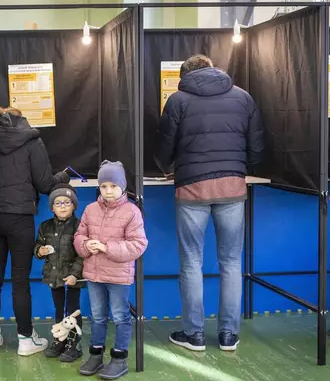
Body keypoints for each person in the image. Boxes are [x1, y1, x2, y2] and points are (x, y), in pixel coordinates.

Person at [155, 54, 265, 352]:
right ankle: (229, 335)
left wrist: (166, 168)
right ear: (214, 68)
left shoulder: (177, 100)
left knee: (191, 262)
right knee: (231, 262)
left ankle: (195, 335)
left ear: (185, 74)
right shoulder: (243, 97)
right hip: (232, 187)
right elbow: (256, 144)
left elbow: (164, 146)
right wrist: (244, 169)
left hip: (192, 189)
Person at [0, 106, 70, 356]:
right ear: (21, 120)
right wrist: (63, 177)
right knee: (20, 280)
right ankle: (26, 339)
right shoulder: (32, 142)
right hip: (20, 219)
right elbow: (46, 184)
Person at [74, 160, 147, 380]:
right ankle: (96, 356)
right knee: (97, 316)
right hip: (94, 275)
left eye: (113, 186)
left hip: (118, 277)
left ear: (122, 186)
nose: (108, 191)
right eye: (104, 186)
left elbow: (138, 244)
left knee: (120, 316)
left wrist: (106, 247)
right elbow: (79, 236)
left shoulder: (131, 211)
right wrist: (86, 245)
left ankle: (119, 359)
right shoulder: (90, 209)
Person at [34, 183, 84, 362]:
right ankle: (59, 340)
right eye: (58, 203)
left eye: (67, 202)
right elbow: (37, 246)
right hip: (53, 276)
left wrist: (75, 275)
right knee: (58, 309)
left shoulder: (80, 226)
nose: (62, 206)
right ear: (52, 207)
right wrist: (39, 251)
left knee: (72, 311)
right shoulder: (45, 226)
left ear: (74, 206)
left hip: (73, 277)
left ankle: (74, 344)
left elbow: (82, 255)